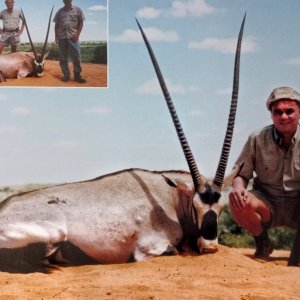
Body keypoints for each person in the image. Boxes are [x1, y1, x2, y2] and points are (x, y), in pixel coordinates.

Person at [229, 86, 300, 258]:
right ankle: (263, 242)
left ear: (299, 112)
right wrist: (238, 188)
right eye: (278, 112)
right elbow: (241, 173)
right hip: (267, 203)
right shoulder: (257, 138)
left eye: (289, 111)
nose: (283, 117)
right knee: (238, 200)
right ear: (271, 115)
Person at [53, 0, 86, 83]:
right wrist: (56, 36)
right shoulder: (59, 12)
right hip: (62, 38)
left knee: (76, 57)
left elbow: (81, 23)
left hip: (73, 37)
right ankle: (66, 75)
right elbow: (56, 25)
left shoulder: (78, 10)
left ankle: (77, 76)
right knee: (63, 58)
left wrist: (77, 34)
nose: (67, 1)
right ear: (63, 1)